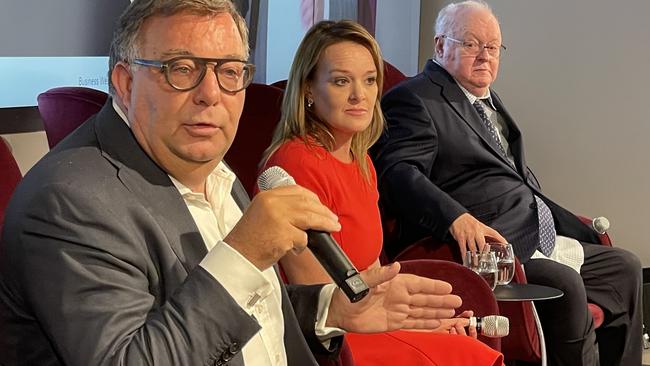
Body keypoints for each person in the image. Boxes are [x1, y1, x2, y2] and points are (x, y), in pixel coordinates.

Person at [0, 1, 463, 365]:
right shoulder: (69, 201)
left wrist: (330, 310)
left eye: (229, 72)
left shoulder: (215, 171)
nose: (210, 94)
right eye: (181, 69)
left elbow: (241, 308)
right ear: (124, 82)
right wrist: (244, 253)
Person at [370, 1, 642, 365]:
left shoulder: (485, 100)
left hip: (531, 235)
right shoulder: (416, 99)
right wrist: (456, 217)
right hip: (487, 249)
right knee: (565, 283)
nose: (485, 56)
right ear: (440, 47)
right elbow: (399, 173)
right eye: (471, 44)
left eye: (493, 47)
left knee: (624, 267)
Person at [260, 19, 504, 366]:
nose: (360, 95)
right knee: (469, 357)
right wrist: (411, 328)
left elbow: (373, 269)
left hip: (371, 318)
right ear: (309, 89)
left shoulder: (361, 162)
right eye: (341, 81)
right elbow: (321, 301)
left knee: (472, 346)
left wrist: (420, 320)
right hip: (332, 338)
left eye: (370, 80)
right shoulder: (294, 164)